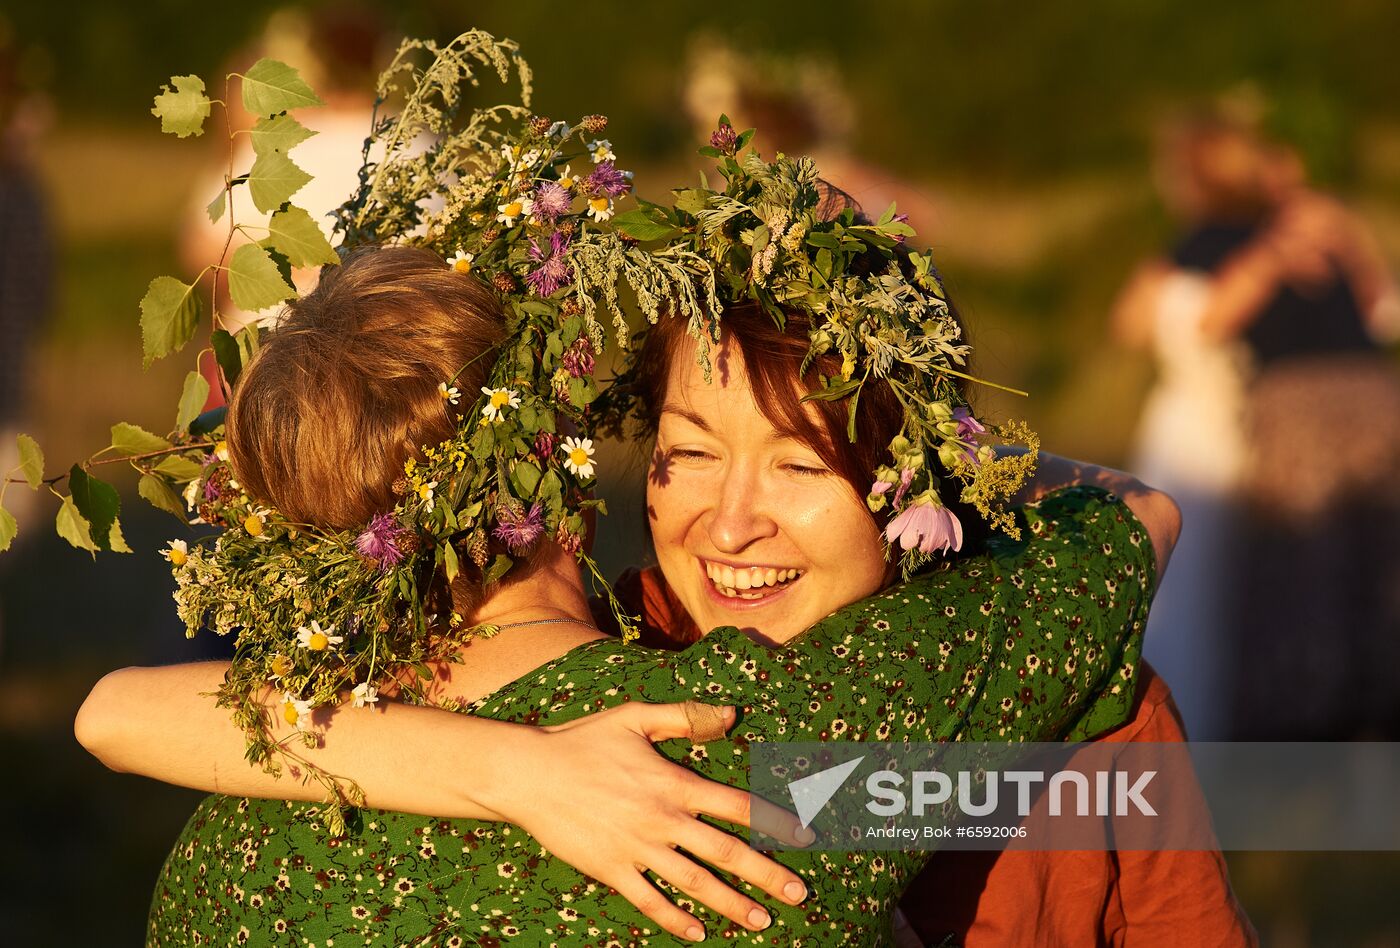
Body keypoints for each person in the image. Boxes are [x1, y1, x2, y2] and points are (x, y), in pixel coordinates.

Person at [79, 235, 1172, 944]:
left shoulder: (231, 829)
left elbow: (109, 710)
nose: (732, 520)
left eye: (798, 463)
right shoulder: (765, 746)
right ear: (561, 466)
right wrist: (920, 443)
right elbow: (1134, 516)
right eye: (687, 449)